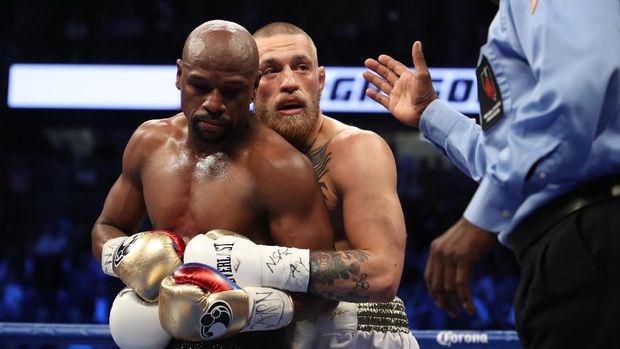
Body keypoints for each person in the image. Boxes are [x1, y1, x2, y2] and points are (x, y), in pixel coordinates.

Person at [363, 1, 620, 348]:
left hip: (594, 236)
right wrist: (430, 113)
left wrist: (479, 220)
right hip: (564, 246)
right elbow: (517, 156)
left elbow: (572, 103)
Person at [91, 20, 336, 349]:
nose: (213, 103)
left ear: (252, 87)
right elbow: (107, 227)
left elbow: (325, 291)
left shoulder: (281, 169)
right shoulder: (149, 144)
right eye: (200, 86)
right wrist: (127, 258)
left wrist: (248, 311)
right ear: (179, 76)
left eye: (232, 91)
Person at [249, 22, 419, 349]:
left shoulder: (356, 149)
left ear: (320, 80)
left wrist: (258, 263)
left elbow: (383, 274)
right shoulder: (237, 162)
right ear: (249, 87)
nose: (289, 82)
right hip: (275, 331)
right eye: (270, 71)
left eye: (302, 67)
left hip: (356, 330)